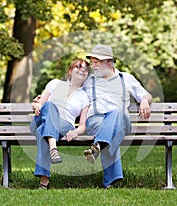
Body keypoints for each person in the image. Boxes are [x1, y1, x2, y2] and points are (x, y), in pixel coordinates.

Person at [83, 44, 152, 189]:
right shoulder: (88, 80)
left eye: (96, 62)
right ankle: (110, 181)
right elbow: (69, 93)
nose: (92, 66)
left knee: (117, 111)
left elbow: (145, 94)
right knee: (113, 130)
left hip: (122, 120)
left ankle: (97, 147)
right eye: (92, 62)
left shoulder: (126, 78)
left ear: (108, 62)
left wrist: (145, 100)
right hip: (95, 121)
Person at [30, 59, 90, 189]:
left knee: (42, 132)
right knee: (50, 105)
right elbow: (40, 104)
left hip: (65, 125)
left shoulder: (84, 96)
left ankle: (44, 182)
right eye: (79, 66)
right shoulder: (55, 84)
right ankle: (53, 147)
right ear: (70, 71)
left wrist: (75, 131)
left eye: (86, 69)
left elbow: (83, 126)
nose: (82, 70)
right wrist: (36, 105)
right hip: (41, 118)